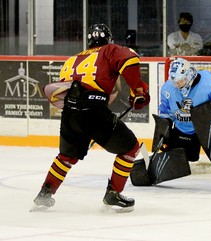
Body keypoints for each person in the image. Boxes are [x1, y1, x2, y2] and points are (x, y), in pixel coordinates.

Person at [32, 23, 150, 212]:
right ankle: (113, 193)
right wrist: (137, 90)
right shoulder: (109, 50)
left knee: (66, 157)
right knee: (130, 148)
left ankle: (44, 194)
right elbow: (130, 59)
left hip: (69, 113)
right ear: (108, 40)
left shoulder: (73, 59)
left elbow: (62, 92)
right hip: (93, 110)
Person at [130, 58, 211, 189]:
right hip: (184, 130)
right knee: (174, 158)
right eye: (175, 82)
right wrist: (163, 130)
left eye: (181, 81)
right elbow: (166, 111)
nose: (178, 85)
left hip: (210, 128)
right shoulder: (168, 88)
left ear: (190, 74)